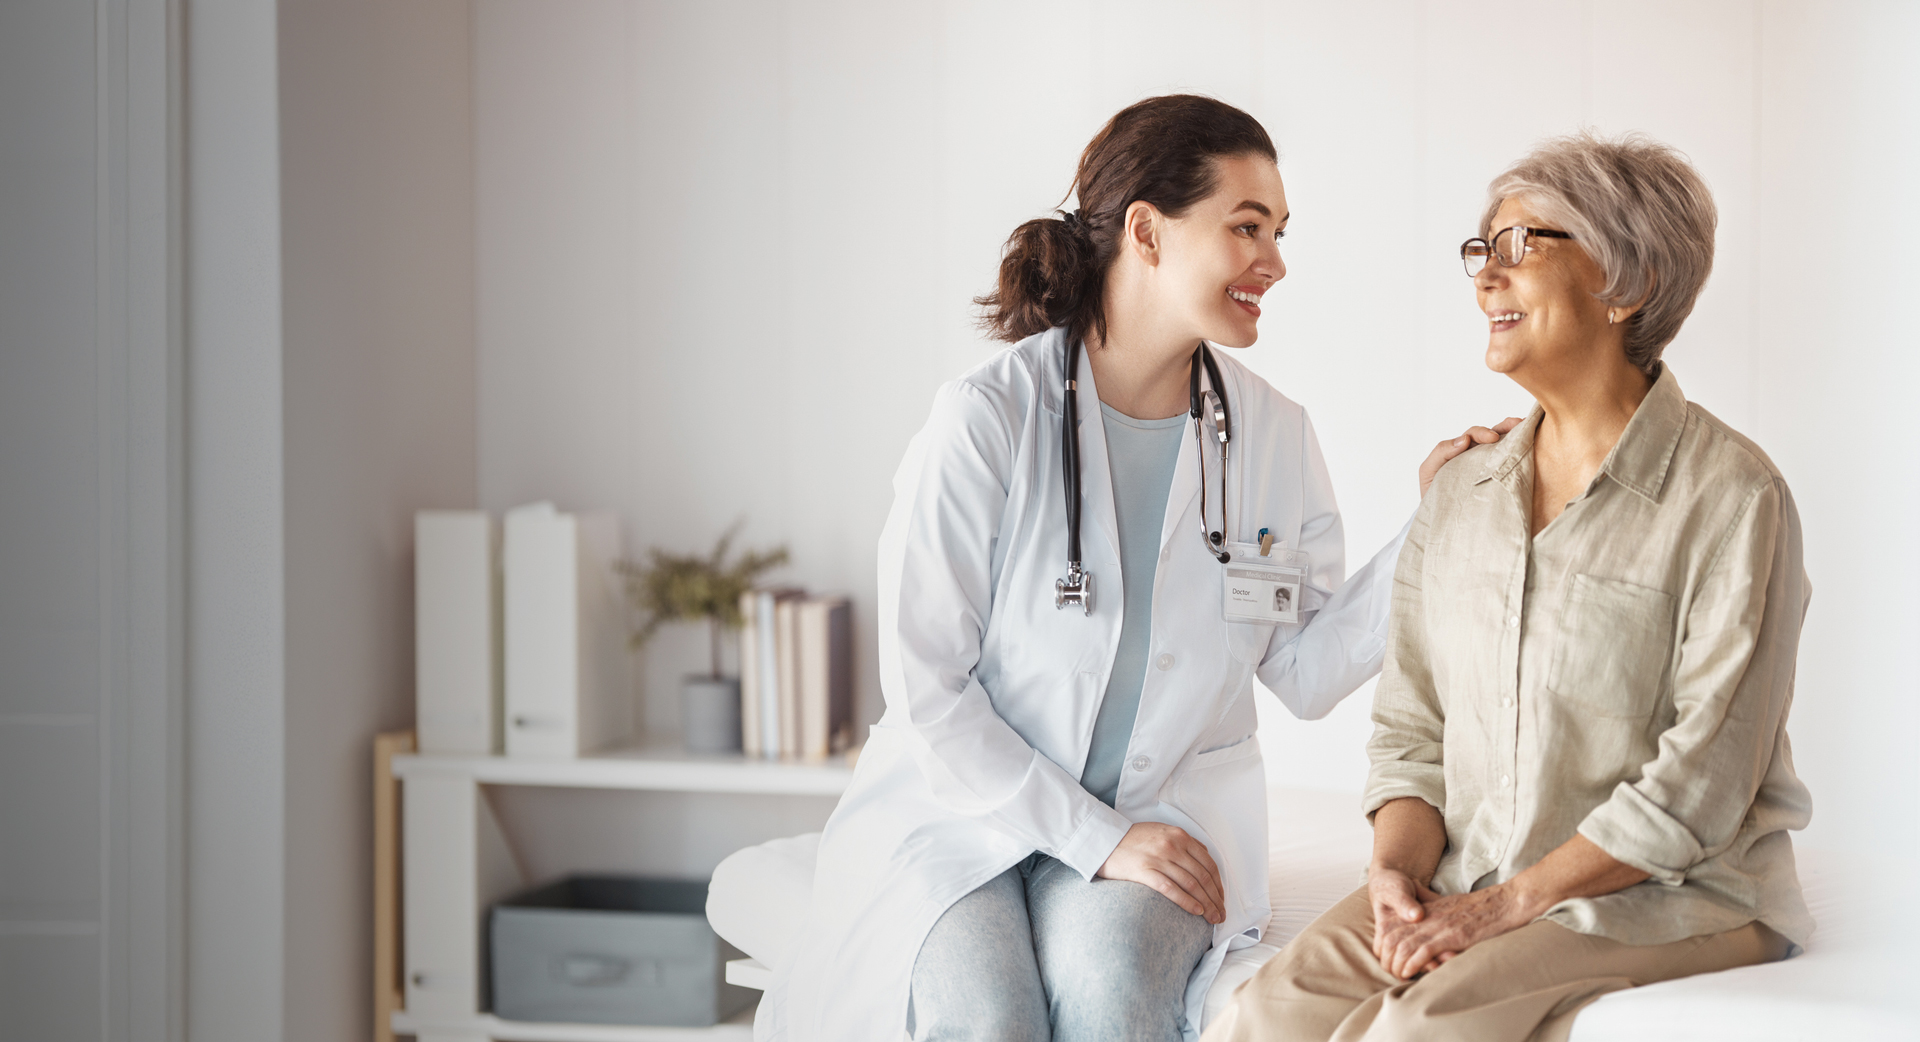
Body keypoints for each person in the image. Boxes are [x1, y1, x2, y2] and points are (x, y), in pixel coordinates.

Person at [753, 96, 1510, 1042]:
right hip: (961, 816)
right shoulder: (989, 419)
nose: (1275, 262)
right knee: (989, 1017)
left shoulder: (1272, 436)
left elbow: (1307, 675)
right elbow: (928, 691)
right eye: (1247, 228)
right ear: (1147, 232)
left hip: (1165, 815)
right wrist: (1096, 839)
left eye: (1278, 232)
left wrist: (1430, 526)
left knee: (1112, 990)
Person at [1206, 132, 1814, 1042]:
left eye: (1524, 245)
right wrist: (1393, 879)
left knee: (1425, 1024)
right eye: (1482, 251)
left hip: (1674, 894)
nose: (1487, 276)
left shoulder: (1734, 498)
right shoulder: (1463, 493)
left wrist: (1501, 911)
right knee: (1268, 1012)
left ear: (1629, 285)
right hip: (1471, 874)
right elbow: (1414, 732)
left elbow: (1700, 787)